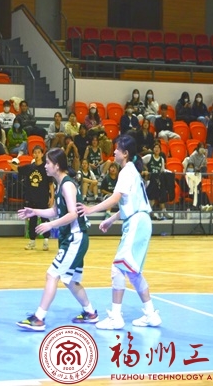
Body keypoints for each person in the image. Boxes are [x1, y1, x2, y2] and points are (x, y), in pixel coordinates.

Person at [77, 135, 162, 330]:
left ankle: (116, 317)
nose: (114, 151)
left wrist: (91, 209)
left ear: (125, 153)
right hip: (142, 221)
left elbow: (115, 198)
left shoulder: (125, 172)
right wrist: (111, 219)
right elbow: (129, 203)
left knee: (118, 268)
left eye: (117, 149)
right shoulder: (133, 171)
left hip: (136, 223)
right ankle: (151, 314)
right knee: (133, 272)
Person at [17, 148, 97, 331]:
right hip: (71, 238)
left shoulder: (67, 185)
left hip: (75, 238)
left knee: (52, 274)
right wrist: (34, 211)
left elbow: (73, 214)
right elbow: (55, 211)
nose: (45, 166)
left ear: (57, 165)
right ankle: (90, 313)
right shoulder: (60, 184)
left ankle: (39, 318)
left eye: (48, 163)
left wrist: (50, 225)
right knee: (70, 280)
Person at [14, 145, 53, 251]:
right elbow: (18, 169)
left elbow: (50, 184)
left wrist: (52, 198)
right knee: (32, 220)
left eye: (38, 152)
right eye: (35, 152)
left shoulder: (46, 168)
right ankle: (32, 241)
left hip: (43, 197)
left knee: (45, 218)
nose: (37, 154)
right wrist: (11, 163)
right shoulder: (30, 167)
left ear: (42, 154)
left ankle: (46, 241)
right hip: (31, 197)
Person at [142, 141, 173, 220]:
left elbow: (162, 171)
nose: (156, 149)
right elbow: (139, 162)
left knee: (162, 192)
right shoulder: (149, 157)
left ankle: (164, 211)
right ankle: (149, 212)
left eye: (158, 148)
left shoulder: (161, 159)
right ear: (153, 149)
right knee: (153, 190)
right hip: (149, 180)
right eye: (155, 147)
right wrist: (145, 169)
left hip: (158, 180)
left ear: (160, 150)